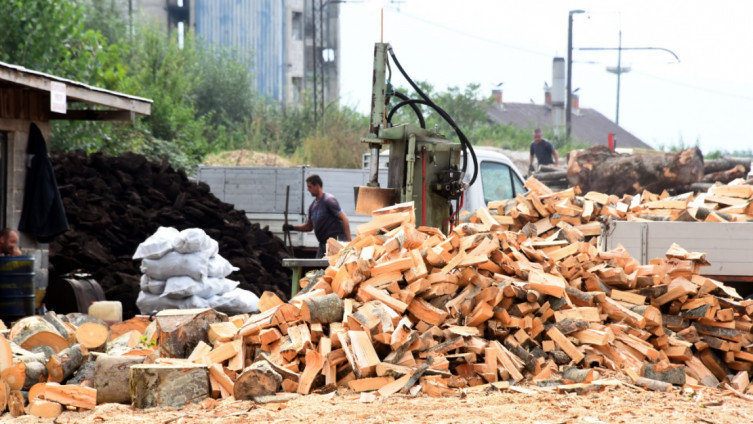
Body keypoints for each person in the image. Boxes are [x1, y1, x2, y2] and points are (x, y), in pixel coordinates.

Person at [283, 174, 351, 258]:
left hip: (336, 243)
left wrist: (349, 242)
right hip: (323, 245)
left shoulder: (328, 200)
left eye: (310, 187)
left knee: (333, 268)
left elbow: (344, 219)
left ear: (317, 186)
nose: (308, 189)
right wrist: (292, 227)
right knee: (317, 268)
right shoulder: (312, 207)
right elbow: (308, 227)